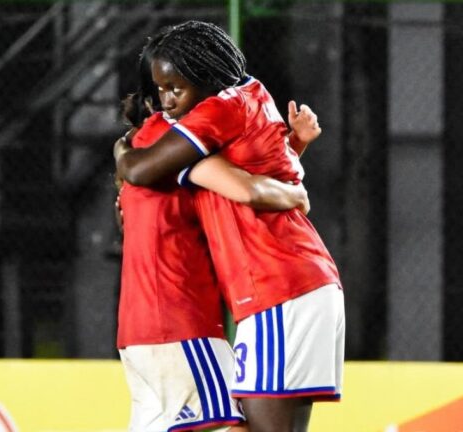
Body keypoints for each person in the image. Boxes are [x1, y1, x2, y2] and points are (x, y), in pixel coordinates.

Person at [115, 21, 343, 432]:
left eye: (175, 88)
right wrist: (297, 168)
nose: (168, 102)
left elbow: (142, 170)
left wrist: (121, 150)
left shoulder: (214, 115)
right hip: (295, 284)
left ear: (206, 79)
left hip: (277, 287)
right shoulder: (252, 96)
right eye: (161, 90)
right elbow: (261, 173)